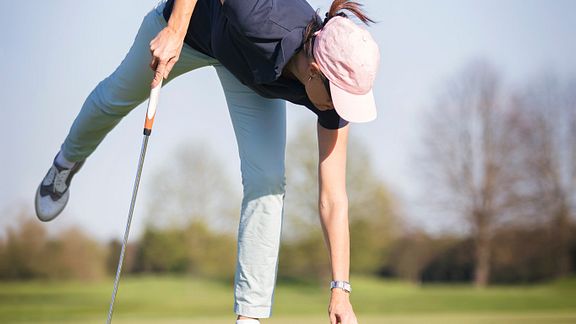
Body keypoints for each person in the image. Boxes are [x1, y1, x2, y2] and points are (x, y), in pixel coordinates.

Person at [35, 0, 380, 323]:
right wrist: (175, 27)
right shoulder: (261, 16)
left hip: (247, 72)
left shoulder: (331, 101)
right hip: (191, 32)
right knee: (115, 98)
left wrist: (341, 290)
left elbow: (333, 198)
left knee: (268, 180)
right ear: (316, 71)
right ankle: (66, 162)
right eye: (339, 97)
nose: (340, 109)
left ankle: (250, 315)